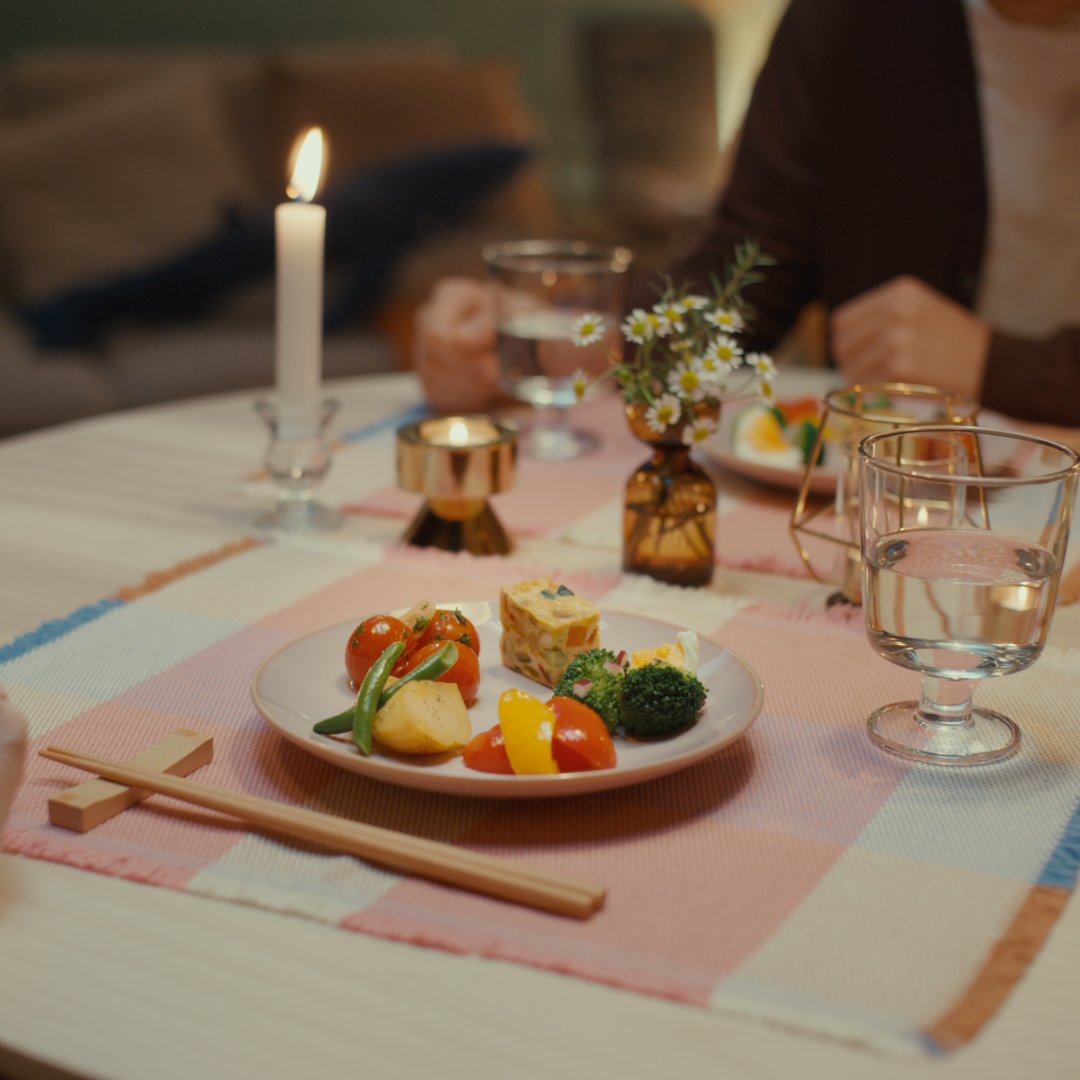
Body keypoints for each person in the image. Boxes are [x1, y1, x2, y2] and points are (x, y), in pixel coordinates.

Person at [413, 0, 1080, 426]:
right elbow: (751, 270)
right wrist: (549, 342)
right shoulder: (851, 22)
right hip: (895, 495)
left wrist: (998, 366)